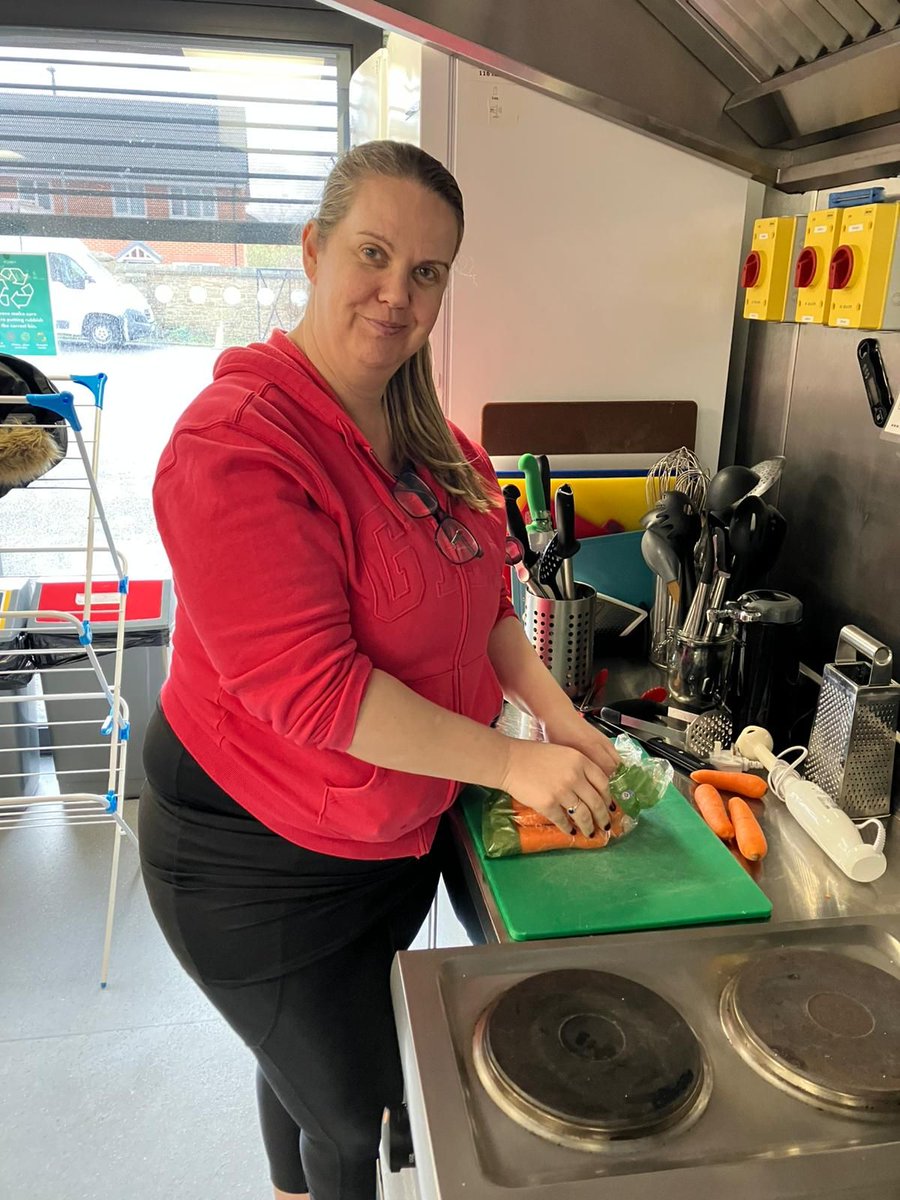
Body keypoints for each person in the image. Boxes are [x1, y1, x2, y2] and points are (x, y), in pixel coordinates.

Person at [138, 139, 619, 1200]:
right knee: (357, 1113)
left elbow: (489, 607)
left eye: (428, 271)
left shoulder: (438, 442)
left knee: (311, 1067)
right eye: (373, 253)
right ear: (314, 251)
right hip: (251, 859)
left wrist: (560, 719)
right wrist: (513, 763)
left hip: (389, 836)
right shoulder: (235, 448)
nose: (398, 293)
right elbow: (315, 690)